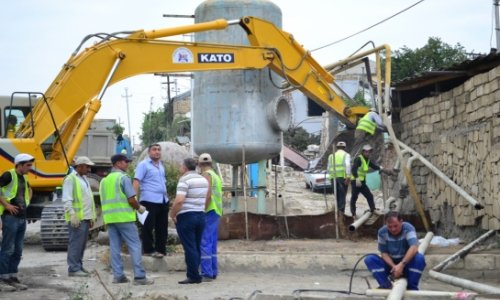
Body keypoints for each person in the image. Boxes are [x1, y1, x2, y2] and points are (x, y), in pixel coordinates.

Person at [99, 154, 153, 285]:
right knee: (134, 245)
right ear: (117, 163)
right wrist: (139, 208)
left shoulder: (104, 181)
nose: (127, 164)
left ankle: (118, 276)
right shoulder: (123, 178)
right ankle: (140, 277)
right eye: (125, 162)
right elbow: (130, 199)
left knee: (114, 247)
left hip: (110, 219)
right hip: (124, 217)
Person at [170, 158, 209, 284]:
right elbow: (207, 197)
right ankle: (196, 273)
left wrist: (173, 214)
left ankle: (193, 276)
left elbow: (179, 200)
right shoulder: (203, 179)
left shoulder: (184, 180)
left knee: (190, 247)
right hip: (200, 215)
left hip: (187, 216)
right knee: (196, 246)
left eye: (181, 165)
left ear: (185, 167)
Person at [364, 211, 426, 290]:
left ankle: (411, 288)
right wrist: (394, 267)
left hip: (407, 264)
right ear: (386, 224)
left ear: (401, 222)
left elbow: (414, 247)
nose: (393, 229)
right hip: (391, 266)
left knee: (419, 259)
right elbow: (384, 253)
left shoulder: (408, 228)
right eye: (390, 227)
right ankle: (386, 285)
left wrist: (401, 265)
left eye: (395, 226)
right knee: (370, 259)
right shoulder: (382, 232)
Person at [0, 153, 34, 291]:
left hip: (21, 217)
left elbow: (30, 190)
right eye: (28, 165)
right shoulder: (9, 175)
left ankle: (12, 276)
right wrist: (6, 205)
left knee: (18, 249)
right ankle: (3, 277)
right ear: (19, 165)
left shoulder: (24, 177)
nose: (30, 168)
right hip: (10, 217)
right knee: (8, 248)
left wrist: (27, 202)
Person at [62, 156, 96, 277]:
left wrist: (91, 217)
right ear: (80, 166)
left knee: (81, 244)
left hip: (85, 217)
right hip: (77, 218)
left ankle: (78, 266)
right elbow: (67, 199)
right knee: (75, 243)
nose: (89, 169)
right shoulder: (70, 179)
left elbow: (88, 199)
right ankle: (73, 268)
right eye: (87, 166)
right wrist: (72, 214)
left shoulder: (84, 179)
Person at [133, 143, 169, 258]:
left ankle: (161, 250)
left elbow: (162, 182)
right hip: (149, 200)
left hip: (163, 200)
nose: (157, 152)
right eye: (154, 149)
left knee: (162, 227)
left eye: (159, 150)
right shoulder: (143, 165)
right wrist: (134, 199)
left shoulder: (161, 165)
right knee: (148, 227)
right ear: (149, 152)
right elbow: (137, 181)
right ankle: (148, 250)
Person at [198, 153, 223, 281]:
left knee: (204, 241)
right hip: (217, 211)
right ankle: (213, 271)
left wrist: (202, 209)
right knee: (212, 242)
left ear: (200, 165)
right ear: (211, 163)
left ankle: (207, 272)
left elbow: (207, 195)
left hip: (209, 210)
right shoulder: (216, 176)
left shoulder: (206, 175)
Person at [350, 144, 384, 218]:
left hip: (362, 182)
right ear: (363, 152)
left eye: (369, 152)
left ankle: (372, 209)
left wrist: (380, 168)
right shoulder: (359, 159)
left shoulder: (367, 160)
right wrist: (357, 178)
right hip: (355, 181)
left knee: (369, 196)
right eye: (366, 152)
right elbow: (353, 169)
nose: (368, 153)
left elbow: (373, 166)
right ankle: (353, 214)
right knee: (354, 197)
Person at [327, 141, 351, 214]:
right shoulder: (346, 155)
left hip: (333, 178)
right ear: (344, 147)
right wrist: (348, 177)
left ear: (337, 148)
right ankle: (341, 213)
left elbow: (328, 168)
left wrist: (331, 177)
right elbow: (347, 165)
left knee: (336, 196)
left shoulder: (331, 156)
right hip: (342, 179)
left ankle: (337, 212)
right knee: (342, 197)